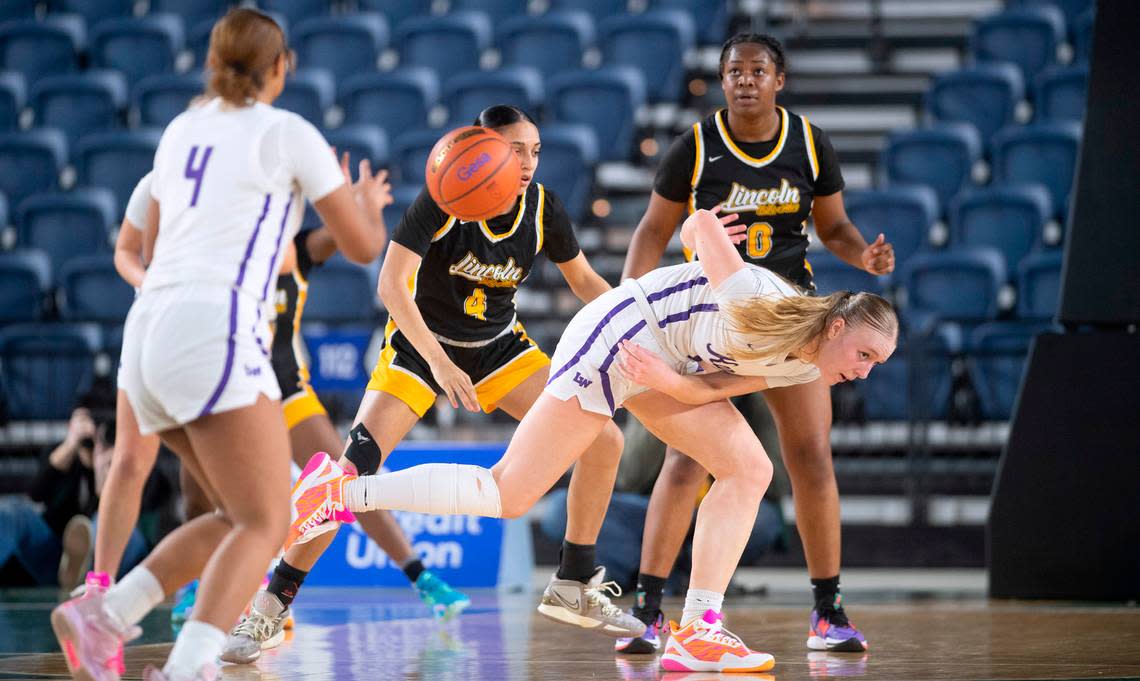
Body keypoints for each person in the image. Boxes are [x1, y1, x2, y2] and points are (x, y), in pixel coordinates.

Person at [289, 208, 899, 673]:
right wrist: (707, 227)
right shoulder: (760, 301)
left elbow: (706, 390)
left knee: (748, 468)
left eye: (879, 364)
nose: (866, 371)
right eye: (865, 354)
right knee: (509, 493)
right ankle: (342, 492)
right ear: (837, 325)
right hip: (619, 333)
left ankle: (699, 629)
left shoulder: (804, 364)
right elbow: (697, 223)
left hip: (661, 364)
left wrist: (666, 380)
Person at [230, 104, 639, 657]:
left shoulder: (543, 210)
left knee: (604, 437)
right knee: (349, 475)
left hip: (498, 349)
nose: (527, 163)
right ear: (483, 146)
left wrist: (637, 322)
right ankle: (270, 607)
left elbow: (585, 280)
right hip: (419, 350)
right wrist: (441, 364)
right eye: (516, 150)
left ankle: (573, 579)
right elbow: (391, 285)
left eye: (535, 152)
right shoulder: (443, 200)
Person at [50, 9, 385, 681]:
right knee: (268, 519)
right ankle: (186, 664)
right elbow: (361, 246)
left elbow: (142, 233)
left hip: (146, 333)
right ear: (281, 67)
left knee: (238, 515)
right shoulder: (287, 132)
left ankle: (108, 612)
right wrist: (368, 209)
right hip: (214, 326)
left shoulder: (181, 130)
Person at [616, 32, 896, 654]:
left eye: (758, 70)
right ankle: (648, 612)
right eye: (734, 71)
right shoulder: (694, 147)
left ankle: (828, 612)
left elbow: (837, 226)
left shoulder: (808, 143)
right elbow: (653, 228)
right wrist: (627, 299)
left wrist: (862, 255)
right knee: (686, 461)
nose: (745, 79)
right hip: (709, 319)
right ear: (722, 81)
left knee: (810, 458)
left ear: (779, 79)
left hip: (794, 324)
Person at [222, 185, 470, 664]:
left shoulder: (297, 249)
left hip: (286, 391)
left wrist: (365, 210)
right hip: (231, 397)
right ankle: (213, 591)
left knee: (345, 482)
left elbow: (366, 246)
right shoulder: (222, 255)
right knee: (213, 497)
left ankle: (421, 576)